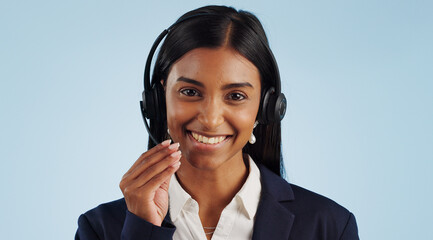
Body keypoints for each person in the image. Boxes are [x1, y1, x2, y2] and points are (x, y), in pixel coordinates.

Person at [75, 5, 359, 240]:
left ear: (266, 107)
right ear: (158, 100)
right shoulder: (101, 229)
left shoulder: (328, 226)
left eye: (236, 96)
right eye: (190, 92)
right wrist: (142, 230)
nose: (210, 119)